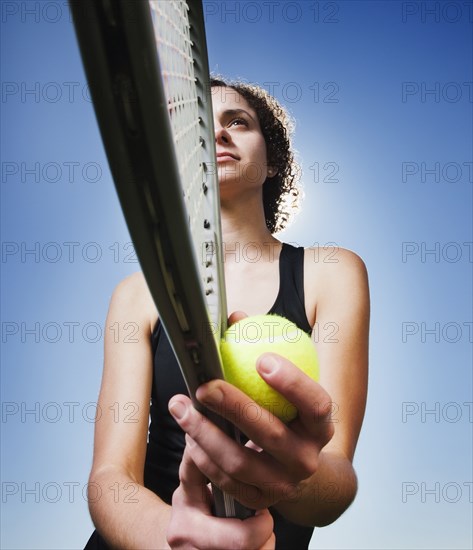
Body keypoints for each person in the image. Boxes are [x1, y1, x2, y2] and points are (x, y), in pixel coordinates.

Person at [84, 78, 370, 549]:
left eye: (238, 122)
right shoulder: (136, 295)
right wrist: (174, 537)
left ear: (272, 159)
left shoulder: (331, 271)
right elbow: (110, 478)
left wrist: (298, 481)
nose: (218, 135)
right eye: (197, 127)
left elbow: (336, 475)